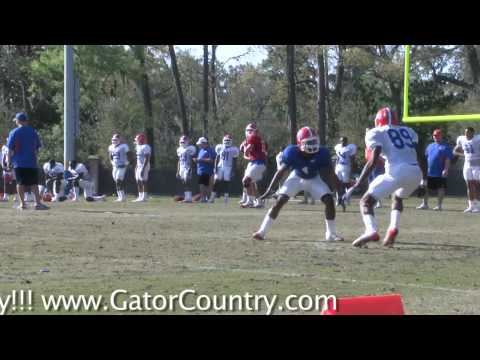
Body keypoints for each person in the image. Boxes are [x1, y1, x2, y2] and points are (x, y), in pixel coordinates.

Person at [343, 107, 426, 248]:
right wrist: (424, 181)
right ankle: (393, 228)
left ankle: (371, 231)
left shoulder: (376, 132)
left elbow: (373, 160)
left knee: (366, 201)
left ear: (378, 120)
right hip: (415, 172)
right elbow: (421, 156)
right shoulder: (408, 131)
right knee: (397, 197)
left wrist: (358, 183)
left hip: (397, 171)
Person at [252, 126, 344, 242]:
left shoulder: (323, 153)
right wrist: (270, 189)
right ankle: (262, 231)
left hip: (314, 178)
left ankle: (331, 234)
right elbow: (281, 171)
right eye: (309, 142)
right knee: (280, 201)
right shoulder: (291, 152)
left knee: (329, 200)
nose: (312, 145)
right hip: (296, 177)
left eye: (314, 141)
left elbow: (331, 173)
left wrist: (340, 192)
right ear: (299, 143)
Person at [6, 112, 49, 210]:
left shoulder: (14, 132)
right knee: (34, 184)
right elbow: (38, 148)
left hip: (19, 162)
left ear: (18, 121)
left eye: (16, 120)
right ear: (26, 121)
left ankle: (23, 204)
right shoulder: (33, 132)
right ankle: (38, 203)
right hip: (31, 162)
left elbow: (9, 149)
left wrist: (8, 162)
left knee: (20, 183)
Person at [417, 129, 453, 211]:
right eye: (434, 135)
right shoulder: (430, 146)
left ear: (441, 136)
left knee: (441, 188)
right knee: (425, 187)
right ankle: (425, 204)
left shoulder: (445, 147)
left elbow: (448, 159)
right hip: (429, 172)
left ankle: (439, 205)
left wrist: (446, 169)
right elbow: (426, 158)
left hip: (440, 172)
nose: (435, 137)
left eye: (437, 135)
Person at [240, 123, 268, 208]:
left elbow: (247, 151)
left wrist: (244, 149)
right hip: (256, 162)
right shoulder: (259, 139)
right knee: (251, 183)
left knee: (246, 181)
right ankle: (259, 202)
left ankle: (250, 201)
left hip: (258, 162)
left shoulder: (252, 137)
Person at [453, 127, 480, 213]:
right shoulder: (461, 139)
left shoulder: (477, 139)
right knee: (469, 185)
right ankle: (471, 206)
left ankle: (478, 206)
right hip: (467, 165)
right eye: (465, 132)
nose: (466, 134)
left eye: (468, 132)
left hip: (477, 165)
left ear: (473, 133)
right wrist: (463, 154)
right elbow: (454, 151)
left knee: (477, 185)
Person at [211, 134, 240, 204]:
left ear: (231, 141)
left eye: (228, 140)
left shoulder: (234, 149)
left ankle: (226, 199)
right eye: (226, 140)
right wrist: (215, 167)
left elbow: (235, 160)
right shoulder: (220, 147)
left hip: (228, 167)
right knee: (216, 182)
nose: (227, 141)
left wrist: (233, 170)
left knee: (226, 183)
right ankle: (212, 198)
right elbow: (217, 158)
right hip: (220, 166)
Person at [334, 136, 357, 211]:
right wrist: (335, 167)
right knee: (337, 183)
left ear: (346, 141)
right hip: (339, 167)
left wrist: (351, 169)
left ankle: (346, 198)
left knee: (346, 184)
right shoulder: (338, 147)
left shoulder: (350, 148)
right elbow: (337, 158)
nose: (342, 142)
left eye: (344, 141)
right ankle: (338, 199)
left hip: (346, 167)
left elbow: (352, 159)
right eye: (341, 141)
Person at [365, 127, 385, 208]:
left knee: (376, 183)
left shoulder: (376, 143)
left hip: (377, 165)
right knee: (370, 184)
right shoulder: (367, 145)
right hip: (370, 164)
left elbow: (380, 155)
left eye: (368, 132)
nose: (366, 134)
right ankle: (373, 201)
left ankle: (378, 202)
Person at [193, 137, 216, 203]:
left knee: (205, 186)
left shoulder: (210, 150)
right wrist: (197, 160)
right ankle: (204, 198)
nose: (199, 145)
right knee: (202, 185)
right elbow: (200, 159)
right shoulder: (201, 150)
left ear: (204, 143)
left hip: (207, 171)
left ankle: (207, 198)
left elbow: (211, 160)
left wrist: (199, 160)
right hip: (201, 171)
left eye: (200, 144)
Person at [108, 133, 129, 202]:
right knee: (116, 181)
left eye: (116, 139)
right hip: (115, 166)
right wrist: (112, 162)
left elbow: (129, 154)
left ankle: (122, 197)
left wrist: (127, 162)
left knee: (118, 180)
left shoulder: (124, 146)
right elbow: (110, 155)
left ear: (120, 139)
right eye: (113, 139)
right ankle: (120, 197)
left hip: (122, 166)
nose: (114, 141)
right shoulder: (111, 147)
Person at [176, 135, 197, 203]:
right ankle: (187, 197)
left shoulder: (190, 148)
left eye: (184, 141)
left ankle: (189, 197)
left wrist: (189, 168)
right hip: (181, 167)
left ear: (187, 141)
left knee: (187, 181)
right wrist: (178, 170)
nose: (182, 143)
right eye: (181, 141)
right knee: (184, 182)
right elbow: (179, 160)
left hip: (187, 167)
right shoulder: (179, 149)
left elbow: (191, 159)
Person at [132, 133, 151, 202]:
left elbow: (147, 158)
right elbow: (138, 159)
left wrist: (143, 168)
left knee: (144, 181)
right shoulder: (137, 147)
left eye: (137, 139)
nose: (136, 141)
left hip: (144, 165)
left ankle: (144, 197)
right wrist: (136, 167)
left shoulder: (146, 146)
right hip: (139, 165)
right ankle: (140, 196)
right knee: (138, 181)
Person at [1, 137, 17, 202]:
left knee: (15, 182)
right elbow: (3, 157)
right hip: (6, 166)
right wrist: (2, 165)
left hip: (14, 166)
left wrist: (13, 165)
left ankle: (16, 196)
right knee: (6, 181)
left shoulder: (15, 148)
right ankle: (5, 197)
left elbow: (16, 157)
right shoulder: (4, 147)